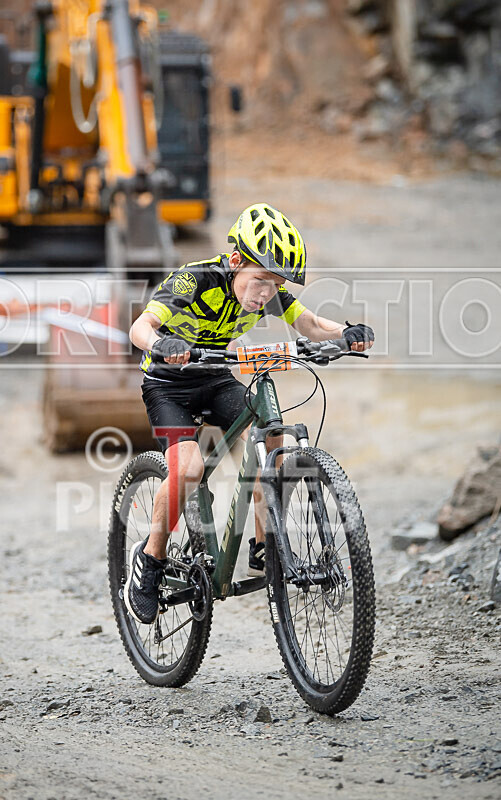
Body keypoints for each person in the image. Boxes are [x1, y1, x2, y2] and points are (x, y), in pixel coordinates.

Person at [126, 203, 374, 623]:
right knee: (186, 470)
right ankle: (150, 560)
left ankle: (264, 543)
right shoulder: (195, 279)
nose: (265, 294)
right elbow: (140, 327)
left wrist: (344, 333)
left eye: (274, 285)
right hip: (169, 384)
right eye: (260, 280)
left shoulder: (268, 292)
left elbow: (309, 323)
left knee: (270, 433)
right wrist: (161, 345)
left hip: (215, 376)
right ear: (237, 261)